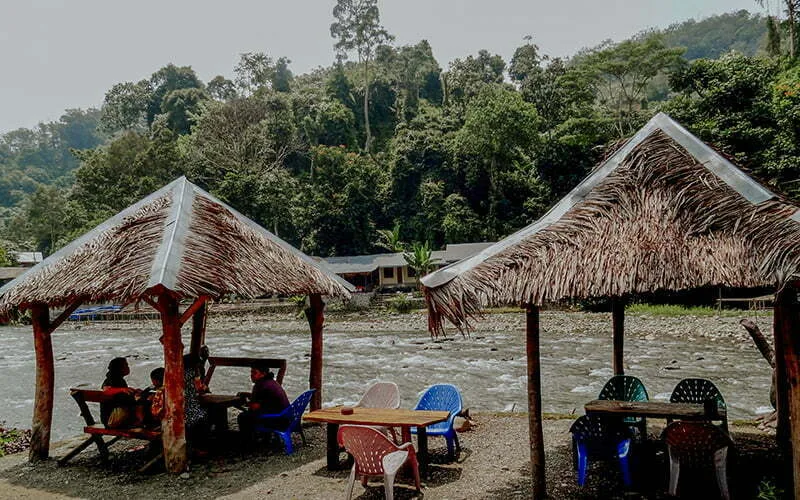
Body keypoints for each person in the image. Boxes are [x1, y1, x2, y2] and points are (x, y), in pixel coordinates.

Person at [237, 362, 290, 442]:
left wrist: (244, 403)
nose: (251, 375)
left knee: (243, 417)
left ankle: (247, 442)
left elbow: (254, 407)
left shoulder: (260, 385)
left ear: (263, 374)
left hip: (277, 421)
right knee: (253, 413)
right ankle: (263, 437)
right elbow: (265, 399)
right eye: (251, 372)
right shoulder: (271, 382)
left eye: (255, 373)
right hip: (285, 417)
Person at [100, 357, 142, 428]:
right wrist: (122, 390)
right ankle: (141, 423)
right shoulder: (112, 379)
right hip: (111, 420)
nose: (128, 368)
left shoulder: (117, 379)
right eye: (126, 365)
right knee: (141, 403)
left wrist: (133, 391)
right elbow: (106, 391)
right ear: (120, 368)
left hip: (110, 418)